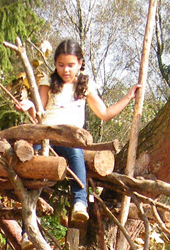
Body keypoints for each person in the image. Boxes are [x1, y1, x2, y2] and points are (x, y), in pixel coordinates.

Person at [26, 39, 140, 223]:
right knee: (33, 170)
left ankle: (80, 202)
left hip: (71, 138)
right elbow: (38, 114)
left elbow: (104, 113)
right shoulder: (48, 82)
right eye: (61, 65)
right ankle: (29, 225)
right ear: (55, 64)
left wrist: (128, 97)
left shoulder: (85, 85)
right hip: (47, 135)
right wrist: (28, 106)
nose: (66, 70)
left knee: (75, 154)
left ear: (80, 63)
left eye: (71, 65)